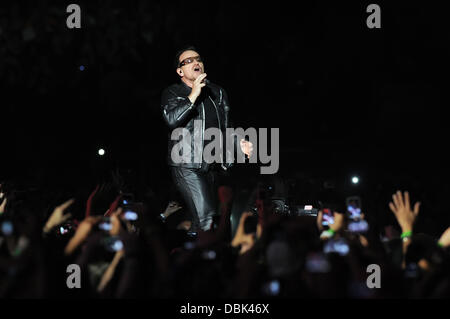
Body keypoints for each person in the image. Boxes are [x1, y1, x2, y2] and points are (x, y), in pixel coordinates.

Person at [161, 46, 253, 234]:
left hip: (213, 164)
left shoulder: (217, 92)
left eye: (198, 59)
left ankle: (187, 257)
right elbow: (171, 119)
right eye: (187, 61)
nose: (195, 62)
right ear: (180, 71)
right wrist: (193, 94)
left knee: (208, 221)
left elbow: (227, 127)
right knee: (207, 218)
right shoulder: (174, 92)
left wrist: (239, 143)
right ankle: (205, 259)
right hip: (186, 163)